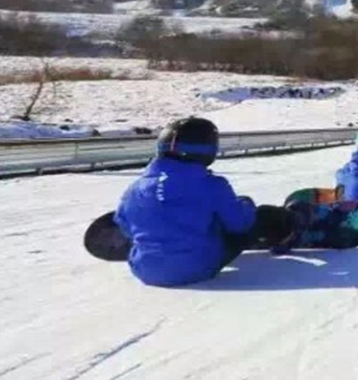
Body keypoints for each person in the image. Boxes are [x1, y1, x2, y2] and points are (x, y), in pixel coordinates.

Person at [113, 116, 285, 287]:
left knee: (186, 217)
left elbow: (125, 228)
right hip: (198, 268)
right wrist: (247, 205)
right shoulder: (212, 185)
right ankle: (290, 227)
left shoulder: (135, 188)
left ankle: (161, 247)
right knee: (260, 214)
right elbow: (240, 224)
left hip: (144, 271)